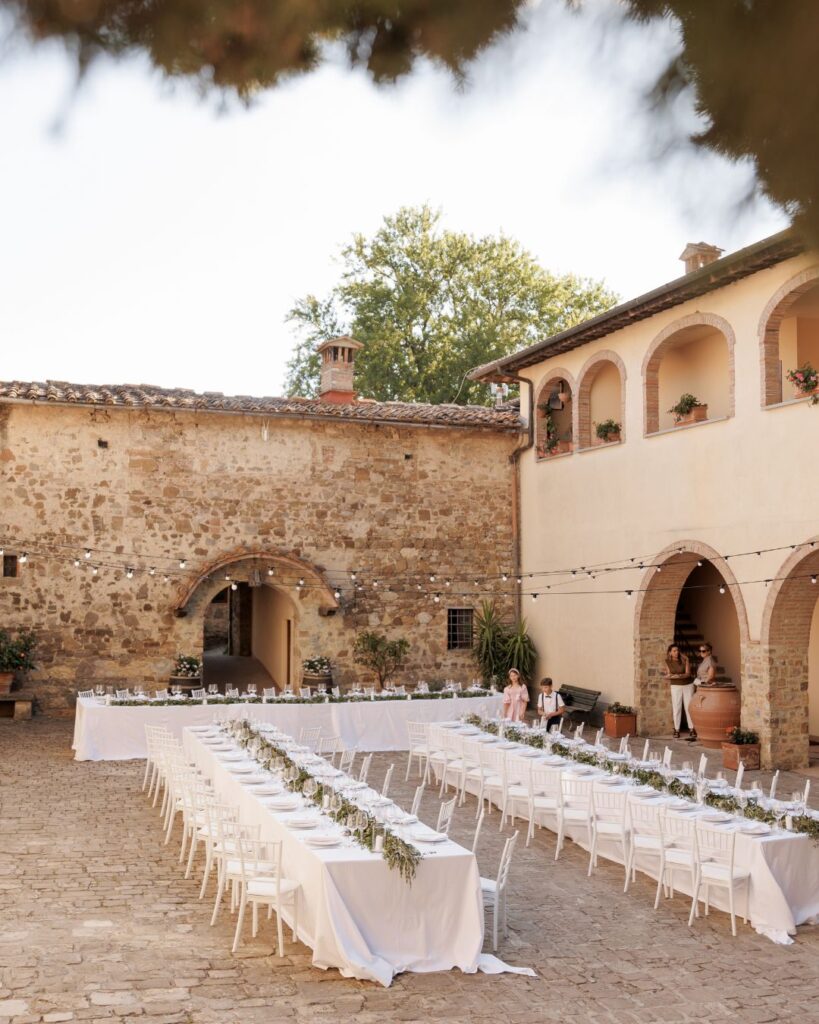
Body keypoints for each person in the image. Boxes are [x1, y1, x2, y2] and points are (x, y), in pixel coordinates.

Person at [662, 643, 692, 739]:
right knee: (677, 707)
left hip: (688, 685)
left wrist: (678, 676)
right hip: (675, 686)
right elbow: (668, 675)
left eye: (677, 650)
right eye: (674, 651)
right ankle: (677, 730)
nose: (676, 652)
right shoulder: (667, 662)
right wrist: (670, 676)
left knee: (688, 707)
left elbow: (688, 674)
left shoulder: (684, 660)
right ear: (670, 652)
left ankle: (692, 729)